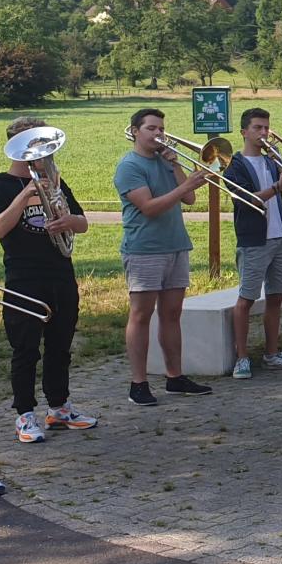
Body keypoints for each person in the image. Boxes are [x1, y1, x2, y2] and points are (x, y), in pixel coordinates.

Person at [0, 116, 96, 443]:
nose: (41, 155)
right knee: (26, 349)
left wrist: (67, 221)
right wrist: (28, 193)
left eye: (43, 147)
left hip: (60, 274)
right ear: (15, 148)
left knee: (61, 346)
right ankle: (24, 415)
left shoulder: (57, 182)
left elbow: (83, 223)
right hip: (24, 279)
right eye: (33, 146)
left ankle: (59, 408)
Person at [114, 108, 213, 406]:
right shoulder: (129, 166)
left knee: (172, 314)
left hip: (175, 245)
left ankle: (175, 376)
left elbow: (189, 199)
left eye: (161, 129)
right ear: (135, 131)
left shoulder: (165, 161)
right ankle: (138, 383)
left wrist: (177, 167)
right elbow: (149, 208)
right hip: (145, 248)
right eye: (152, 129)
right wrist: (184, 185)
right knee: (141, 315)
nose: (159, 134)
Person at [223, 108, 282, 379]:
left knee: (275, 298)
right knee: (246, 300)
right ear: (244, 132)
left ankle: (272, 354)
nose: (263, 133)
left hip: (278, 237)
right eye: (258, 128)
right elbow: (246, 200)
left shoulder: (273, 161)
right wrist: (276, 187)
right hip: (253, 240)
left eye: (266, 128)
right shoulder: (234, 165)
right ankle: (242, 358)